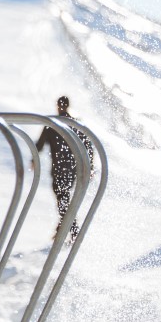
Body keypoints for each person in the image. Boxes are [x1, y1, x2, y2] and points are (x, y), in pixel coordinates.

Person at [35, 95, 93, 242]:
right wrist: (89, 166)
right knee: (64, 199)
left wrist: (90, 166)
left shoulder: (54, 124)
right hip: (70, 169)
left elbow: (87, 145)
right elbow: (88, 146)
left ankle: (71, 230)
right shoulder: (71, 124)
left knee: (63, 199)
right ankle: (64, 227)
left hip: (63, 169)